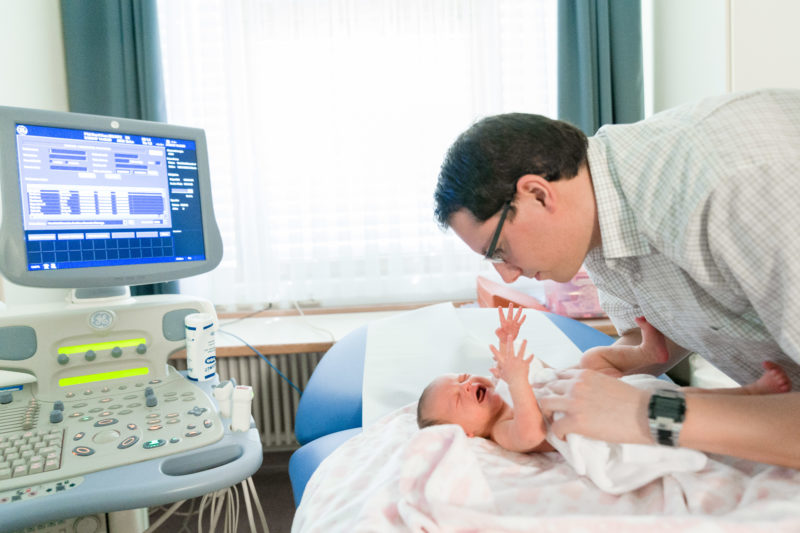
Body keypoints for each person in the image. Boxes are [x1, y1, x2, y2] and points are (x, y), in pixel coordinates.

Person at [432, 89, 800, 468]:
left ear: (538, 195)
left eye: (499, 250)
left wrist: (648, 413)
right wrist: (591, 376)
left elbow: (648, 408)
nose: (507, 276)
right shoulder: (597, 222)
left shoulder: (731, 187)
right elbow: (654, 335)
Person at [417, 305, 792, 453]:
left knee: (592, 358)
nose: (467, 386)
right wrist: (517, 381)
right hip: (605, 418)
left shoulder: (496, 393)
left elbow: (528, 372)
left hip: (600, 392)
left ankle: (648, 355)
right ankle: (749, 393)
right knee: (687, 398)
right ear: (463, 433)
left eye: (463, 378)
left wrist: (507, 344)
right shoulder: (501, 431)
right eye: (458, 398)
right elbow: (532, 433)